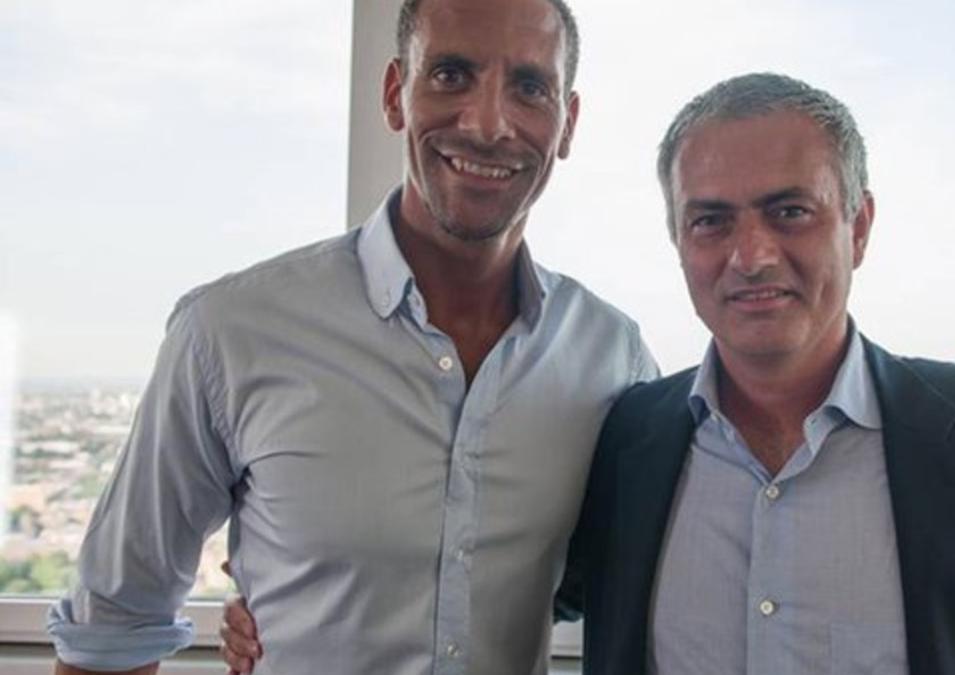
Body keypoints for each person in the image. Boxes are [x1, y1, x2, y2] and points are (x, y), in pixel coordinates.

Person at [218, 73, 955, 675]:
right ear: (679, 242)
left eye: (790, 211)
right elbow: (491, 569)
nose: (751, 254)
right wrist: (297, 609)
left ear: (858, 225)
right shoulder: (625, 439)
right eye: (712, 221)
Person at [47, 0, 656, 673]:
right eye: (451, 75)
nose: (488, 124)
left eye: (530, 87)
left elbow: (600, 583)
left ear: (567, 123)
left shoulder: (612, 359)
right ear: (396, 95)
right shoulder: (229, 332)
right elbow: (112, 629)